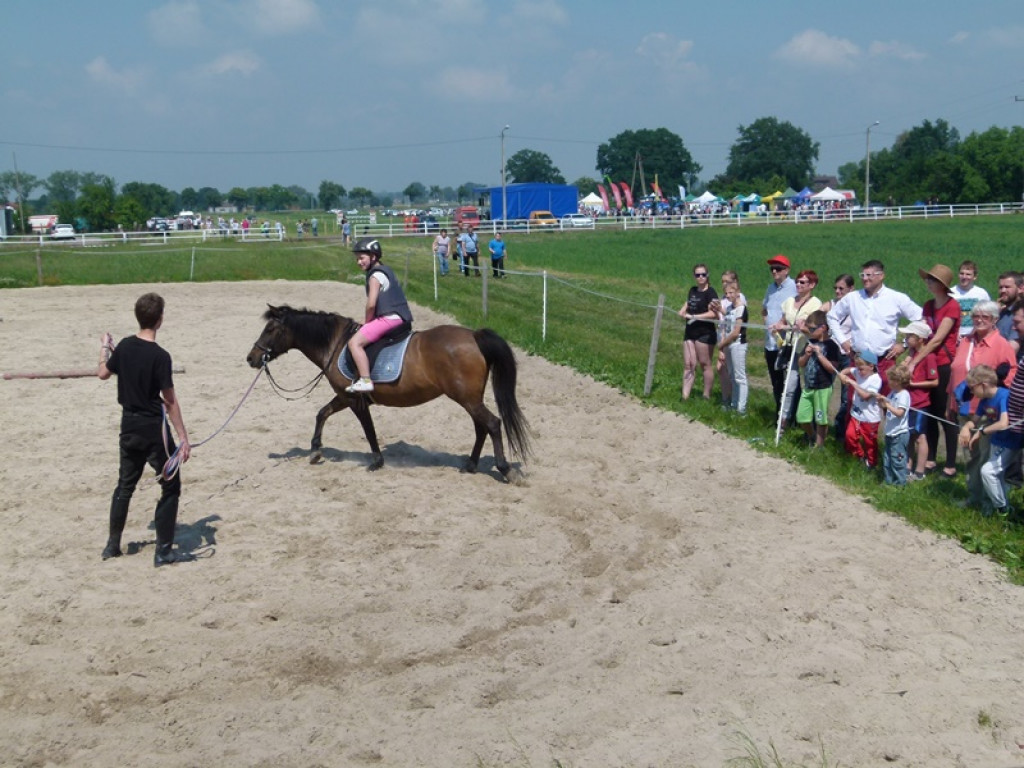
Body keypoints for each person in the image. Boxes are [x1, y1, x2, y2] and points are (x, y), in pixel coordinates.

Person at [97, 292, 192, 567]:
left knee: (124, 486)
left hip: (128, 426)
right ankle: (163, 552)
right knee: (171, 485)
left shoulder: (124, 346)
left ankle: (112, 545)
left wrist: (105, 347)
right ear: (160, 320)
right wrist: (183, 438)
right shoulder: (161, 356)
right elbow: (170, 401)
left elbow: (102, 372)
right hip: (153, 429)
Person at [826, 259, 923, 396]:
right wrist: (843, 341)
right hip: (859, 361)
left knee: (885, 402)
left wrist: (905, 344)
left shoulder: (896, 298)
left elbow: (920, 318)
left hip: (884, 360)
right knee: (855, 403)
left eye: (869, 275)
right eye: (863, 275)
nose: (865, 279)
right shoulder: (853, 298)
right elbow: (832, 317)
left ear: (881, 275)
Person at [905, 264, 960, 477]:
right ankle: (930, 458)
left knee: (944, 413)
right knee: (929, 412)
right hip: (928, 361)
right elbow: (921, 332)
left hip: (944, 362)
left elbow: (937, 339)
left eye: (932, 280)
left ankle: (951, 462)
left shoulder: (952, 306)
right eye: (928, 279)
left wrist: (914, 361)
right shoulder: (928, 306)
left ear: (942, 285)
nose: (928, 282)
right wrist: (910, 352)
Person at [344, 238, 414, 394]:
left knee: (354, 343)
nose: (358, 262)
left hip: (389, 319)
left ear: (373, 257)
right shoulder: (385, 270)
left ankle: (365, 380)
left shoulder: (375, 276)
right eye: (357, 259)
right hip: (400, 316)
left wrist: (367, 321)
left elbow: (371, 304)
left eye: (362, 258)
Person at [959, 364, 1020, 516]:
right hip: (997, 441)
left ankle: (1002, 509)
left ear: (983, 385)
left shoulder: (1004, 396)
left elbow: (1003, 423)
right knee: (995, 476)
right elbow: (975, 420)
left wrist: (981, 431)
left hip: (1009, 441)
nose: (971, 392)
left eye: (972, 388)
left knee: (988, 471)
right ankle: (993, 506)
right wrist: (966, 427)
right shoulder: (985, 400)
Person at [771, 269, 822, 429]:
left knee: (809, 386)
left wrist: (804, 328)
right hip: (789, 347)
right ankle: (785, 421)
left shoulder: (816, 304)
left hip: (806, 349)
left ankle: (810, 423)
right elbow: (783, 320)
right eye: (797, 281)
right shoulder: (789, 301)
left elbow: (818, 329)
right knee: (790, 385)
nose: (798, 285)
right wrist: (778, 327)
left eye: (803, 282)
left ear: (812, 285)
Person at [898, 321, 939, 481]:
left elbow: (934, 381)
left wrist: (914, 384)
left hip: (920, 402)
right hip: (909, 401)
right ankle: (907, 466)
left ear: (921, 338)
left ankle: (920, 471)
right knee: (909, 434)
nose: (906, 338)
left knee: (921, 436)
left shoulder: (929, 357)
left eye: (910, 336)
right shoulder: (912, 355)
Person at [796, 309, 841, 448]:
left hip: (823, 387)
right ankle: (811, 436)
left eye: (812, 328)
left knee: (820, 418)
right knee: (801, 416)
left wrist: (820, 355)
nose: (809, 331)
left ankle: (819, 445)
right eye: (808, 328)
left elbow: (832, 369)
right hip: (808, 386)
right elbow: (801, 363)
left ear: (823, 328)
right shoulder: (810, 342)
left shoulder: (832, 346)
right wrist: (807, 354)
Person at [762, 255, 797, 419]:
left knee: (791, 384)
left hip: (786, 344)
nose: (774, 271)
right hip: (770, 343)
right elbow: (764, 310)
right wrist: (767, 323)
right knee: (776, 383)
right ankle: (779, 415)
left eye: (778, 268)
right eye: (772, 269)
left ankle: (793, 417)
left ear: (787, 270)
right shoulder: (770, 288)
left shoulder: (794, 288)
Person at [822, 274, 855, 440]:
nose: (837, 291)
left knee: (846, 395)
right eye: (835, 288)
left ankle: (841, 432)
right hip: (831, 352)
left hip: (849, 354)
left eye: (841, 288)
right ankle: (820, 425)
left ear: (851, 289)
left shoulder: (856, 307)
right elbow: (815, 316)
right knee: (824, 388)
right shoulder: (831, 304)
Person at [678, 263, 719, 400]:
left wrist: (695, 317)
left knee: (704, 363)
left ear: (707, 276)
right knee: (689, 363)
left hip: (705, 332)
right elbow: (689, 302)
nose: (700, 277)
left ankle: (706, 395)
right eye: (697, 275)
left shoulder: (711, 292)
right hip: (690, 331)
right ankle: (685, 396)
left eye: (703, 274)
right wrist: (683, 310)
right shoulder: (693, 290)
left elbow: (714, 314)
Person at [839, 350, 883, 468]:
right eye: (858, 368)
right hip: (856, 414)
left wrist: (853, 383)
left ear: (871, 366)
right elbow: (849, 370)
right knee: (850, 436)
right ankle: (859, 456)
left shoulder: (875, 379)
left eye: (862, 369)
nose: (859, 371)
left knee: (870, 442)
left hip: (870, 418)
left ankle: (872, 463)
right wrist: (842, 374)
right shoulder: (858, 371)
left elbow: (866, 396)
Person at [878, 366, 912, 486]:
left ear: (897, 381)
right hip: (890, 431)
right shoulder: (892, 393)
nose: (888, 382)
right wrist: (882, 403)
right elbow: (887, 408)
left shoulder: (904, 395)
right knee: (887, 459)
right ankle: (888, 481)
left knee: (897, 460)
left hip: (899, 433)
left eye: (890, 380)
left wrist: (887, 405)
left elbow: (899, 413)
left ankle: (900, 483)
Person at [717, 281, 748, 414]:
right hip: (729, 345)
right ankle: (734, 403)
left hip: (738, 344)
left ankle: (741, 408)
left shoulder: (741, 308)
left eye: (731, 292)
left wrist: (722, 344)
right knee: (732, 375)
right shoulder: (730, 308)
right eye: (726, 293)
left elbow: (736, 331)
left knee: (740, 377)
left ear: (737, 292)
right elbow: (726, 323)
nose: (729, 295)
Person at [952, 260, 991, 338]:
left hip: (976, 335)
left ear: (975, 277)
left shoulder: (981, 294)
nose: (964, 277)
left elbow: (989, 315)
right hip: (955, 335)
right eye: (961, 273)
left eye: (968, 274)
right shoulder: (951, 293)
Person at [995, 270, 1021, 351]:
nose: (1003, 291)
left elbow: (1012, 350)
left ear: (1020, 288)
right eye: (1000, 287)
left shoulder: (1020, 315)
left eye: (1007, 287)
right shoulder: (1001, 312)